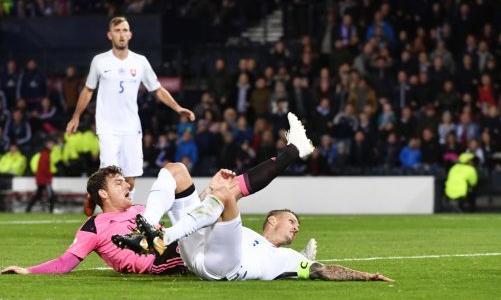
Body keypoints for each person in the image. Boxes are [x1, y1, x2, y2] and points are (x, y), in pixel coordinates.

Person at [0, 113, 316, 276]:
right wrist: (29, 270)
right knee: (225, 198)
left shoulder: (141, 206)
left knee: (180, 171)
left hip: (175, 242)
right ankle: (292, 153)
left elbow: (187, 217)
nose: (127, 185)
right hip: (164, 258)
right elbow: (66, 262)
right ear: (102, 193)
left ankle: (288, 259)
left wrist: (205, 193)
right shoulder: (93, 227)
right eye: (118, 182)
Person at [112, 132, 391, 282]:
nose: (296, 227)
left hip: (224, 267)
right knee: (176, 169)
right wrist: (211, 188)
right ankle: (149, 226)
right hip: (195, 251)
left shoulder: (289, 259)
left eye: (297, 225)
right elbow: (207, 210)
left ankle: (162, 237)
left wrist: (365, 276)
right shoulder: (245, 234)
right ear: (271, 220)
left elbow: (324, 270)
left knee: (226, 197)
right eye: (292, 220)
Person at [65, 16, 195, 210]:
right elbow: (88, 90)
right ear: (110, 35)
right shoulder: (99, 61)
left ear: (130, 34)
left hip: (131, 128)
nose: (122, 34)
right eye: (117, 31)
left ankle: (122, 215)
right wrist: (76, 116)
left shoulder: (140, 62)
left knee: (130, 181)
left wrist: (177, 107)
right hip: (107, 127)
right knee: (109, 176)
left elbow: (157, 89)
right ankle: (106, 216)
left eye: (125, 30)